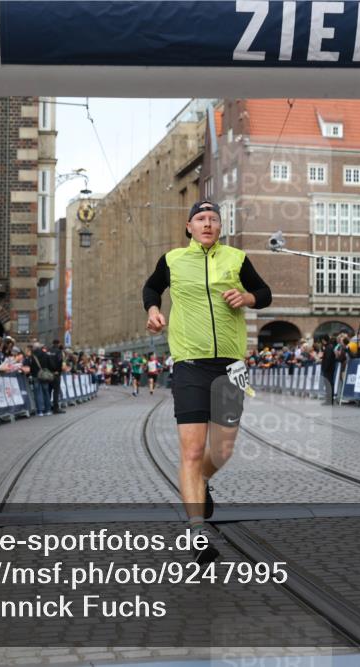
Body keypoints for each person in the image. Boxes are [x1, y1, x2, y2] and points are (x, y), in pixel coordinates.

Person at [143, 199, 272, 564]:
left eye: (213, 219)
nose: (207, 223)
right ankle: (197, 528)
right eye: (200, 219)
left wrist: (247, 296)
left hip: (231, 365)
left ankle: (198, 483)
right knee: (193, 450)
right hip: (190, 363)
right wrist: (153, 311)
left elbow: (264, 294)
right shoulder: (172, 260)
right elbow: (151, 290)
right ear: (189, 227)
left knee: (223, 450)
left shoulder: (236, 258)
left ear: (220, 226)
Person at [28, 342, 53, 416]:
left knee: (38, 393)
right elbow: (50, 364)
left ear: (34, 348)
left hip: (36, 375)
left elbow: (31, 366)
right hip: (44, 375)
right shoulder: (46, 354)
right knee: (46, 392)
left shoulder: (33, 355)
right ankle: (48, 410)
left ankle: (40, 411)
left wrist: (32, 373)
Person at [319, 335, 337, 405]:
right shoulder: (329, 346)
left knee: (329, 384)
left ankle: (329, 401)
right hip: (329, 368)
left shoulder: (329, 347)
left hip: (328, 369)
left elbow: (328, 359)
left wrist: (325, 368)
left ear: (323, 340)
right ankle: (329, 400)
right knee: (328, 384)